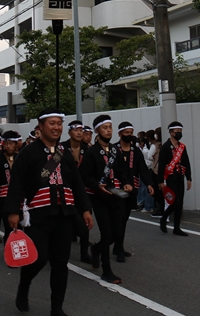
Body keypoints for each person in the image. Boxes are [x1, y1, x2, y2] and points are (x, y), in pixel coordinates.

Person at [6, 109, 93, 316]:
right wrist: (13, 211)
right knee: (39, 258)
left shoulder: (64, 153)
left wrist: (85, 209)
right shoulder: (28, 152)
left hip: (64, 215)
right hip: (38, 215)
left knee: (60, 264)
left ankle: (57, 307)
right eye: (52, 124)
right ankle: (24, 285)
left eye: (59, 124)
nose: (56, 128)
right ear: (41, 125)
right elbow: (17, 183)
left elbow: (76, 183)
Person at [79, 115, 132, 284]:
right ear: (97, 131)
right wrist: (97, 185)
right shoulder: (91, 152)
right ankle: (107, 271)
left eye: (110, 127)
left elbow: (123, 171)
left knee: (117, 233)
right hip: (99, 197)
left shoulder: (115, 150)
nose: (109, 130)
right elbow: (85, 176)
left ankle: (96, 249)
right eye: (105, 128)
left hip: (115, 195)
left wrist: (126, 183)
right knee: (107, 233)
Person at [113, 123, 153, 262]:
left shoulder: (135, 151)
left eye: (131, 132)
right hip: (117, 190)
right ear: (120, 134)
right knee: (118, 219)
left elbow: (142, 168)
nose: (129, 135)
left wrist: (149, 184)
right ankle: (118, 248)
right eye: (126, 132)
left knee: (124, 219)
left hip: (132, 190)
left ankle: (118, 246)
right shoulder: (113, 149)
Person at [61, 120, 91, 263]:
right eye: (76, 130)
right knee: (63, 227)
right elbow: (48, 169)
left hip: (81, 192)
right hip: (64, 193)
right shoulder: (61, 149)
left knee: (85, 226)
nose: (79, 133)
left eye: (81, 130)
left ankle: (84, 253)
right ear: (69, 132)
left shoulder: (87, 150)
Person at [158, 121, 192, 236]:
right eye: (177, 131)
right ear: (171, 132)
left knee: (180, 203)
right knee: (175, 201)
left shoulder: (182, 147)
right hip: (170, 177)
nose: (179, 133)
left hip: (180, 177)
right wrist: (160, 181)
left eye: (180, 131)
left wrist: (189, 178)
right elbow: (161, 165)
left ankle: (177, 228)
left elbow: (186, 162)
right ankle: (164, 217)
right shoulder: (165, 147)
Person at [0, 130, 20, 244]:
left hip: (18, 199)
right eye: (6, 143)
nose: (9, 146)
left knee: (19, 227)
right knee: (7, 226)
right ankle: (7, 245)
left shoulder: (20, 159)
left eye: (11, 143)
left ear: (16, 144)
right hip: (2, 199)